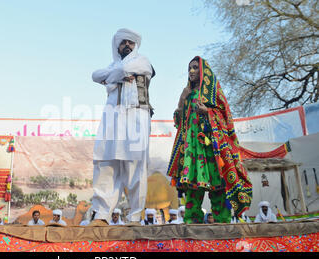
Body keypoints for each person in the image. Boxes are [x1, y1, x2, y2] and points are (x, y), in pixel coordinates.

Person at [166, 56, 252, 224]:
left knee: (218, 186)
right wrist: (182, 99)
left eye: (195, 67)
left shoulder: (214, 92)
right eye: (189, 68)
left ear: (204, 71)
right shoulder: (188, 93)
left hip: (212, 149)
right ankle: (191, 223)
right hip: (192, 149)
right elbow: (178, 120)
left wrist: (207, 112)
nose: (191, 71)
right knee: (192, 189)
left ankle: (223, 223)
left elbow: (226, 118)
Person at [91, 28, 155, 225]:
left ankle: (135, 216)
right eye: (123, 42)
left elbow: (118, 72)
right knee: (107, 163)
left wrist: (111, 76)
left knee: (135, 166)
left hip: (136, 117)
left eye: (131, 43)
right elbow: (94, 75)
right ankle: (101, 215)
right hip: (113, 118)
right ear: (117, 46)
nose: (127, 45)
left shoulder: (142, 61)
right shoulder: (113, 65)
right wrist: (115, 74)